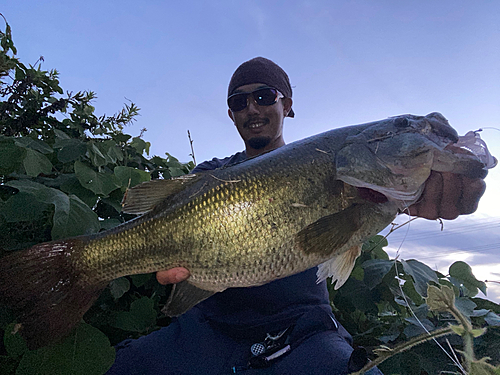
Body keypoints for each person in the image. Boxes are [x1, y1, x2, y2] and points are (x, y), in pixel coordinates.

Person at [107, 57, 486, 374]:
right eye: (239, 102)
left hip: (303, 332)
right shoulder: (208, 176)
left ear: (286, 104)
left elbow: (432, 195)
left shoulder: (349, 173)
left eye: (263, 96)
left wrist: (449, 190)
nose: (251, 107)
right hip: (208, 327)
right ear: (231, 114)